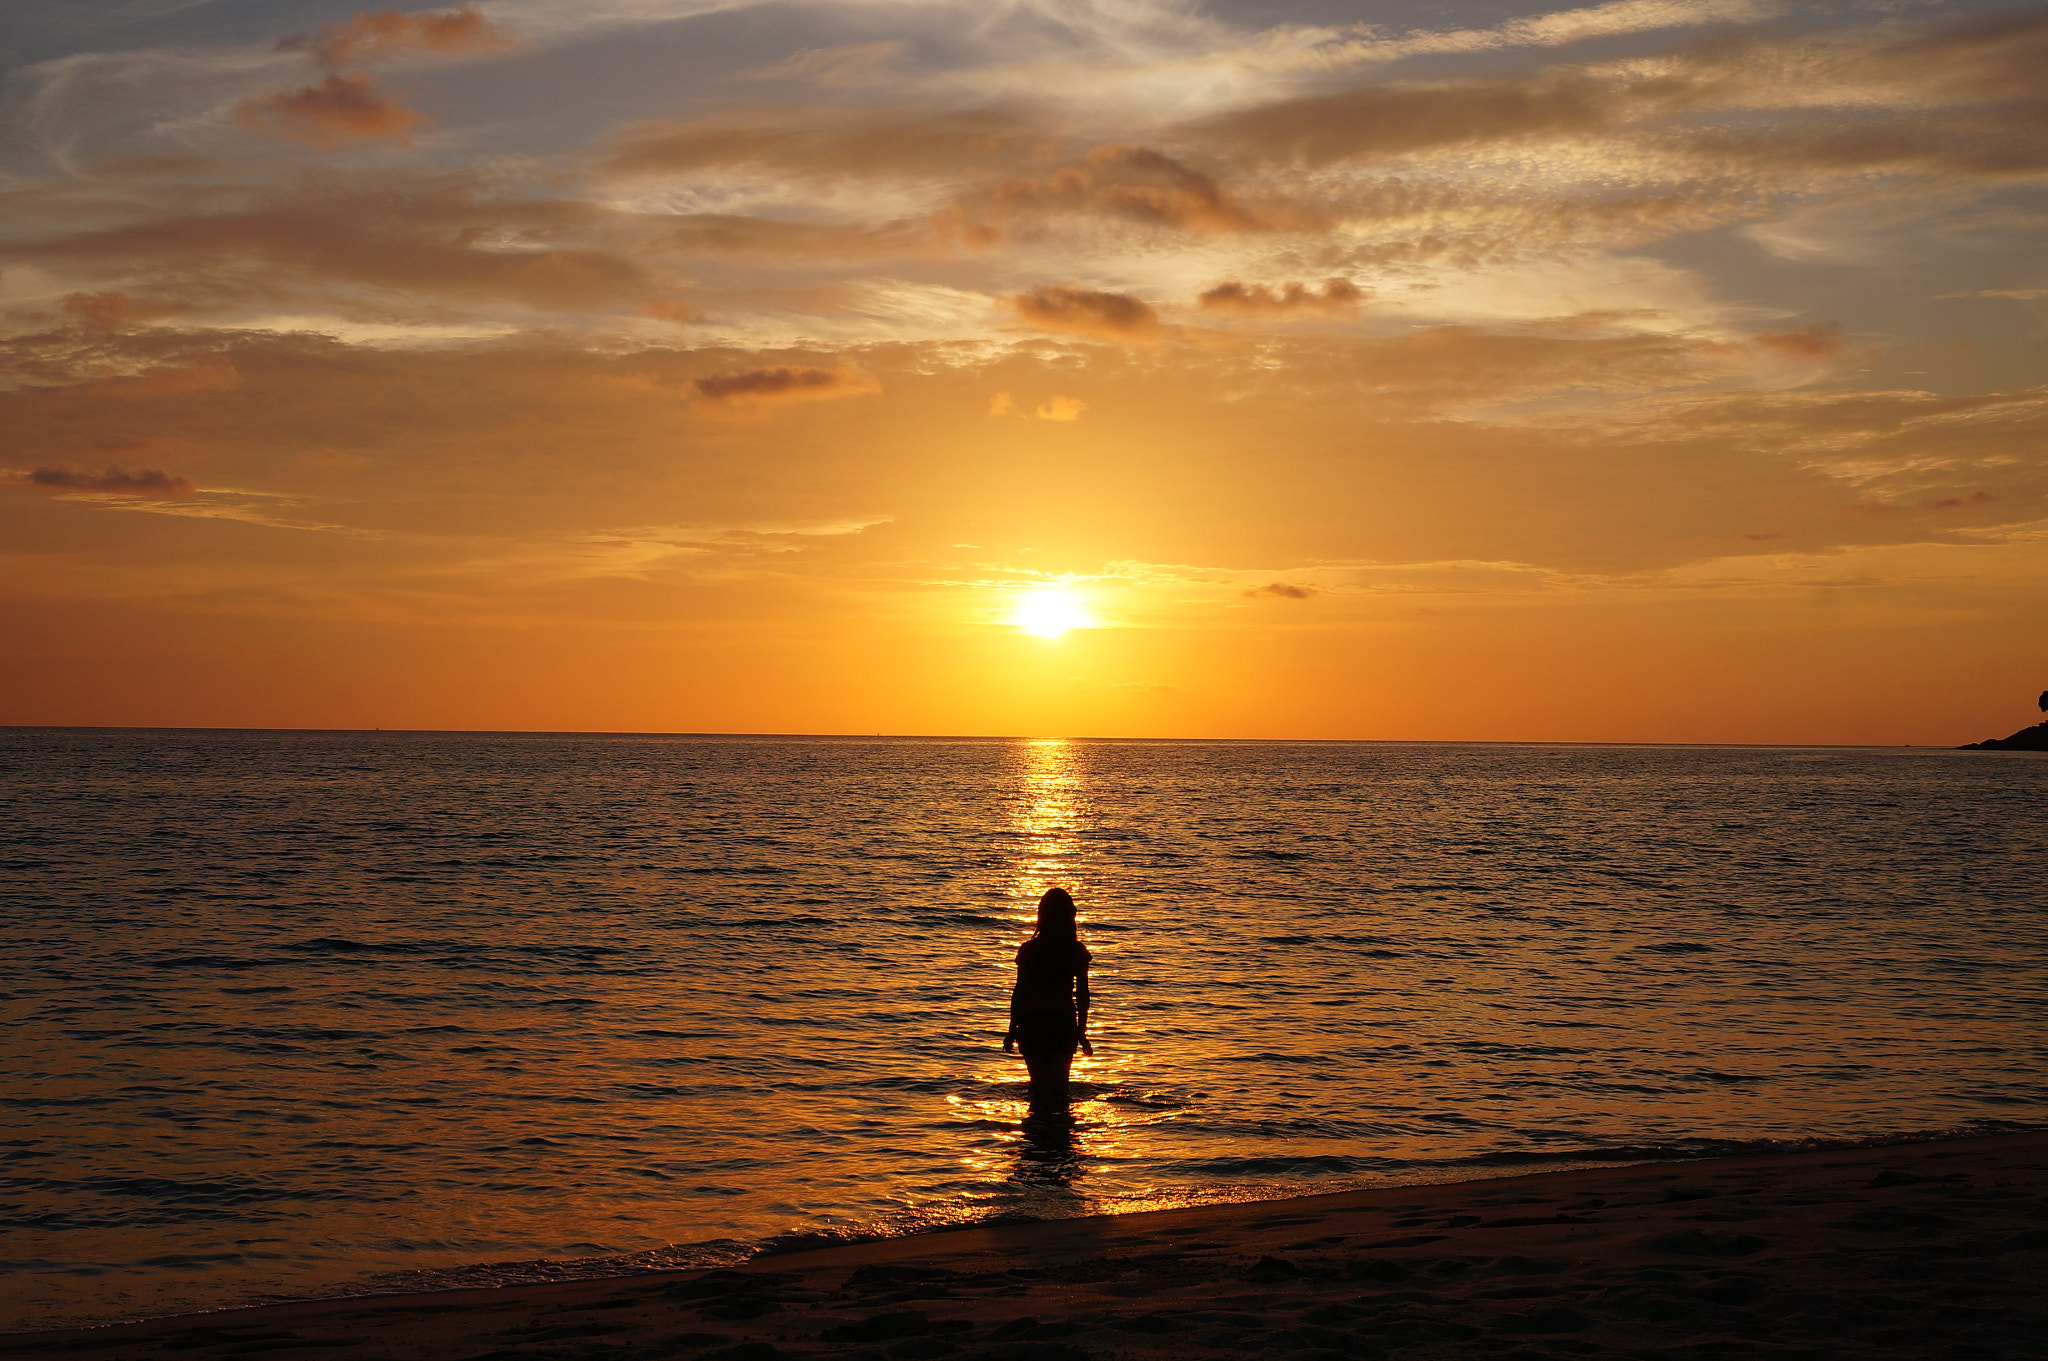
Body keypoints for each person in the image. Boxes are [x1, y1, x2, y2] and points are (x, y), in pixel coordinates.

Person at [1003, 887, 1093, 1112]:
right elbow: (1083, 996)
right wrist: (1081, 1032)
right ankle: (1059, 1140)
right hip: (1062, 1026)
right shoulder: (1076, 951)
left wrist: (1011, 1029)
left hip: (1033, 1026)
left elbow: (1020, 992)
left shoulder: (1030, 950)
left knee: (1038, 1091)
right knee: (1060, 1092)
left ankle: (1036, 1138)